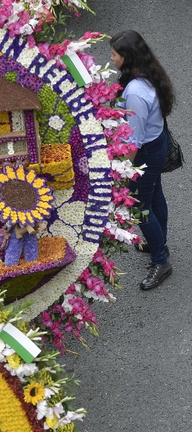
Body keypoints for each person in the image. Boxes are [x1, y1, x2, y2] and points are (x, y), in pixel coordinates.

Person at [110, 30, 175, 290]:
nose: (112, 59)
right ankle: (159, 244)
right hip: (157, 144)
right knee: (155, 196)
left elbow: (132, 142)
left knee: (140, 209)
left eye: (114, 55)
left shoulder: (135, 92)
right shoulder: (147, 74)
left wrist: (124, 172)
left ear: (127, 57)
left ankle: (161, 261)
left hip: (145, 153)